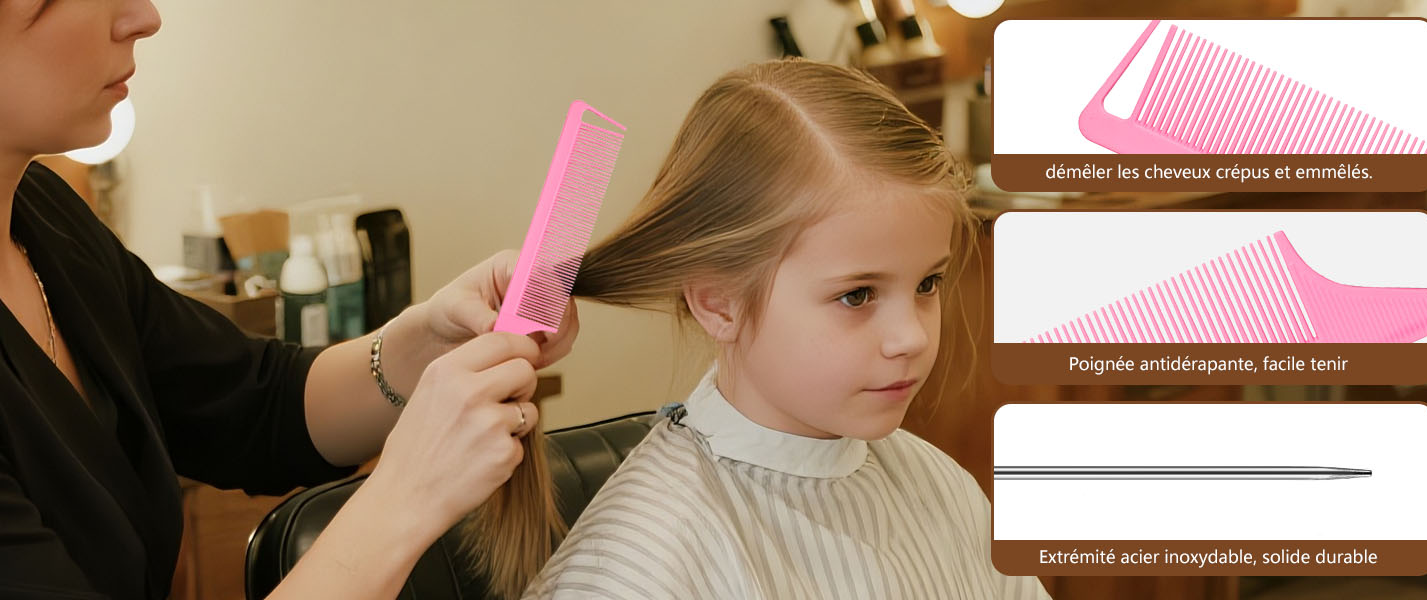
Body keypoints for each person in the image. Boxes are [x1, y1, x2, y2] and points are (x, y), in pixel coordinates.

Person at [0, 1, 576, 598]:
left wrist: (428, 342)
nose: (143, 17)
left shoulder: (47, 221)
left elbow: (252, 401)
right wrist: (410, 492)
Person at [516, 58, 1051, 599]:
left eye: (928, 284)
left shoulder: (940, 487)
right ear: (719, 303)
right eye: (857, 295)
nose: (912, 337)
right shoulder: (642, 566)